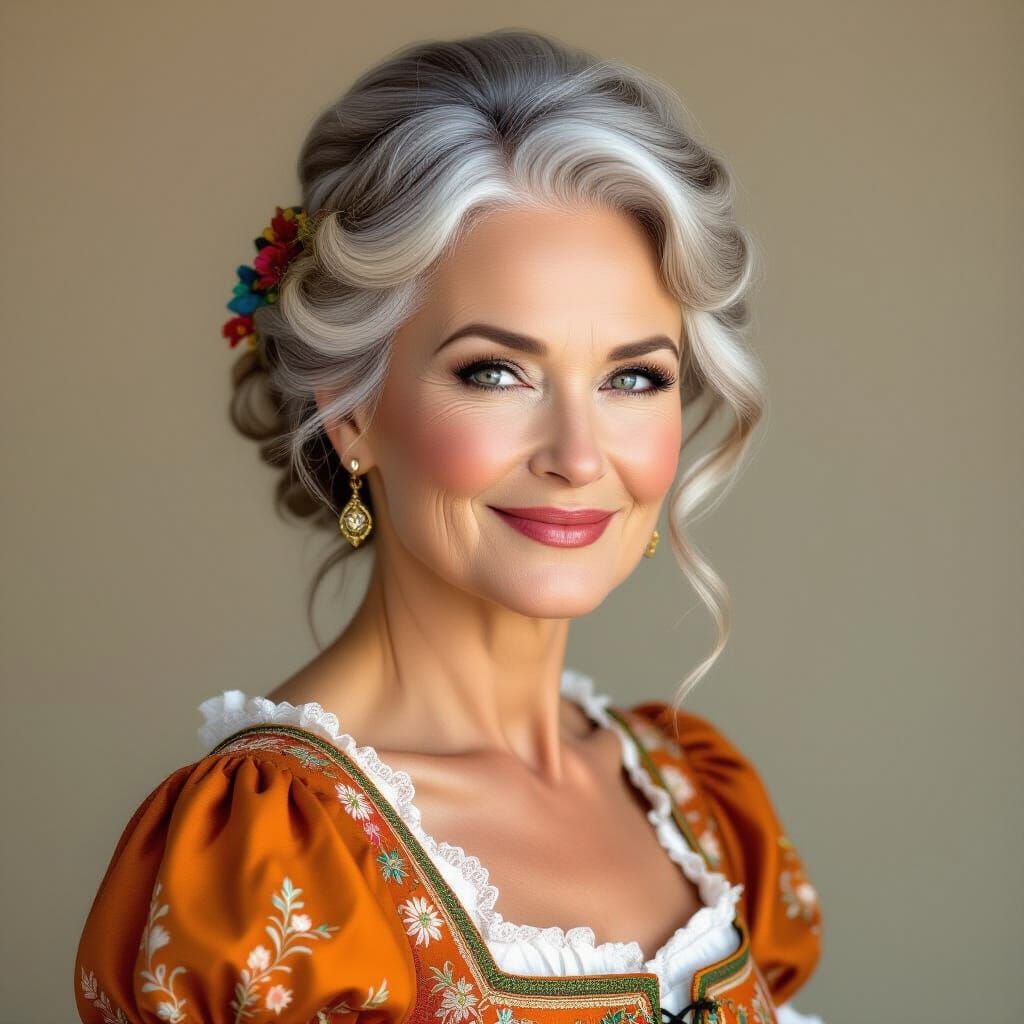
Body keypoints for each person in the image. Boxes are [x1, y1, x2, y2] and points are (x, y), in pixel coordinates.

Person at [74, 28, 825, 1024]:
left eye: (632, 377)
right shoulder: (272, 859)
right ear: (351, 410)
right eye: (495, 371)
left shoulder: (700, 804)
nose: (579, 453)